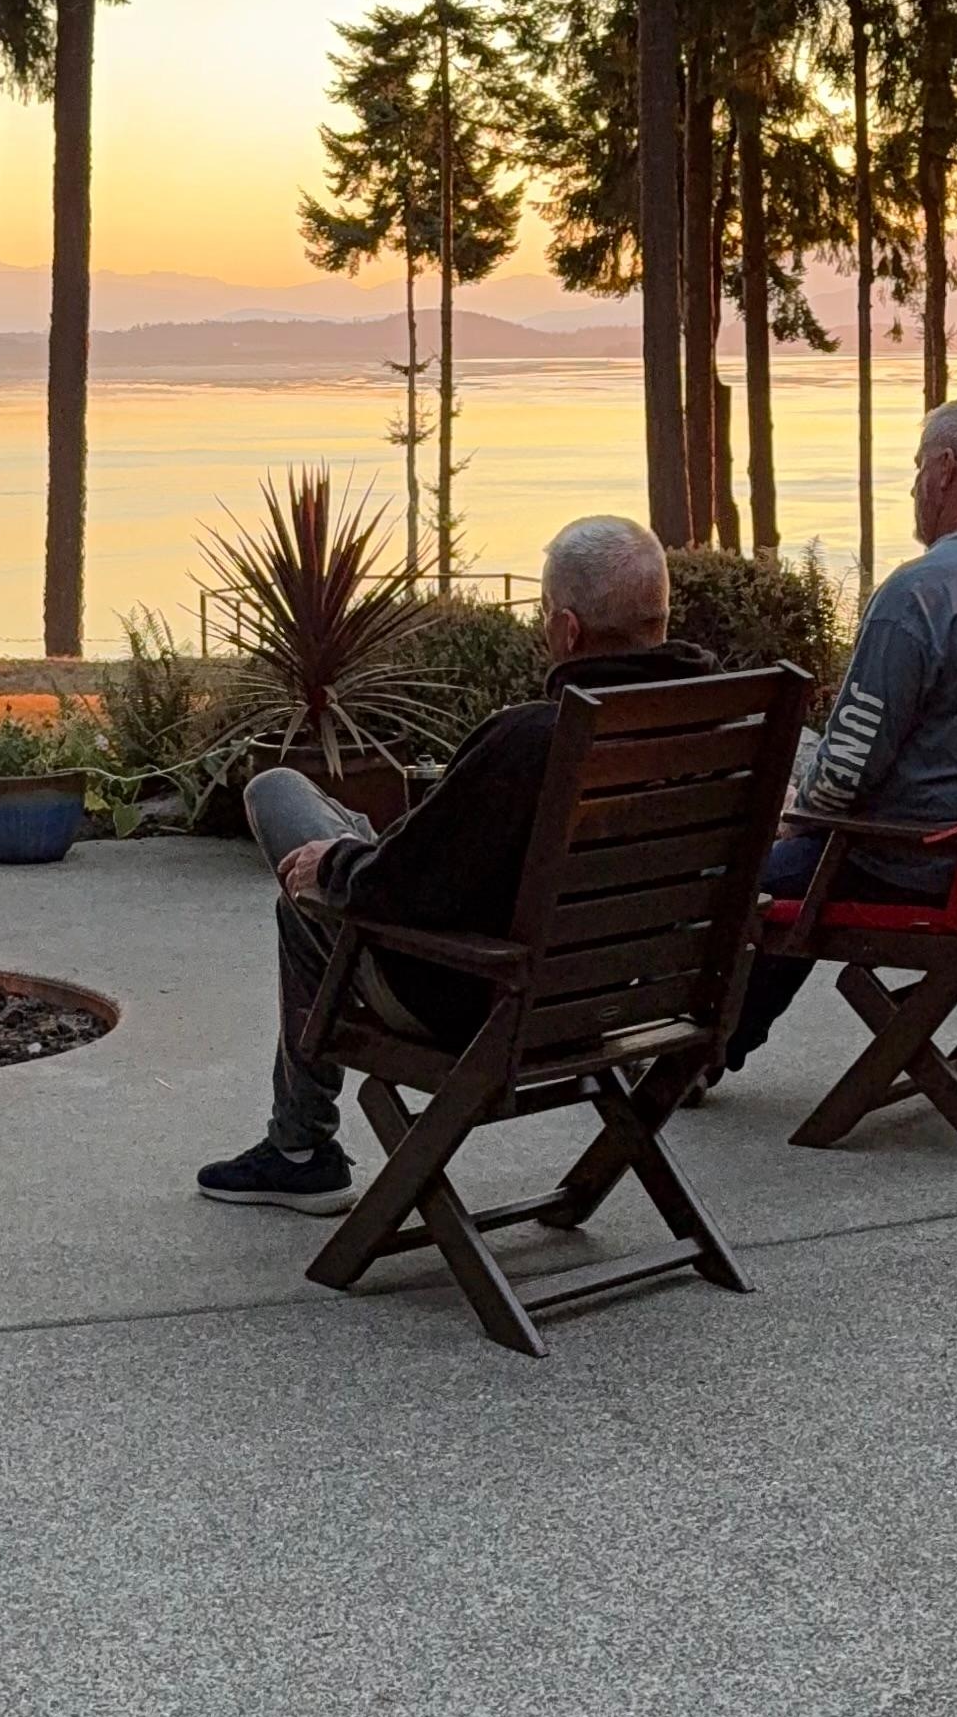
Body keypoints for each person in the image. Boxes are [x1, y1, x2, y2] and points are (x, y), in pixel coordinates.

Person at [197, 511, 712, 1213]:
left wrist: (339, 867)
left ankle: (299, 1150)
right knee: (343, 862)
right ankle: (296, 1146)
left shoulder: (538, 741)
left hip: (485, 999)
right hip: (621, 994)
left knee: (284, 818)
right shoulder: (718, 721)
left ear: (566, 630)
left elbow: (403, 890)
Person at [719, 391, 957, 1072]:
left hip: (920, 863)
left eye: (915, 468)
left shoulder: (918, 594)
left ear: (944, 468)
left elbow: (850, 766)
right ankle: (718, 1044)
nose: (911, 487)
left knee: (745, 872)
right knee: (807, 853)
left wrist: (794, 815)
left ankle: (698, 1047)